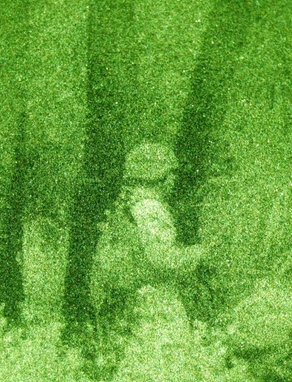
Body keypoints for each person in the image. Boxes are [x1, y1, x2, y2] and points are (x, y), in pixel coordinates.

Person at [89, 143, 208, 350]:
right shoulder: (150, 209)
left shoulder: (128, 205)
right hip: (152, 303)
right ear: (159, 174)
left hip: (126, 299)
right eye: (171, 173)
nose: (174, 180)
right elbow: (163, 260)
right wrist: (201, 252)